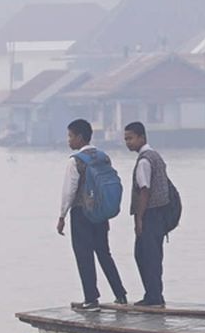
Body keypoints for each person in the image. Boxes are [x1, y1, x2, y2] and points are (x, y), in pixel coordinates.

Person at [58, 118, 127, 310]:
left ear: (80, 137)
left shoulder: (75, 161)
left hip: (82, 213)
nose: (69, 140)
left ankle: (91, 298)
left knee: (84, 255)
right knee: (104, 253)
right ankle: (120, 294)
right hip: (101, 213)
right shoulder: (103, 157)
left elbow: (69, 191)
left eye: (70, 136)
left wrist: (62, 216)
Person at [124, 121, 171, 307]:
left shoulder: (144, 160)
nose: (128, 142)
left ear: (141, 137)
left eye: (130, 138)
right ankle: (154, 294)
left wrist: (139, 219)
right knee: (153, 255)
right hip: (161, 213)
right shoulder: (156, 156)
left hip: (150, 214)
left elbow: (144, 190)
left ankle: (153, 297)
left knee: (145, 255)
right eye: (126, 139)